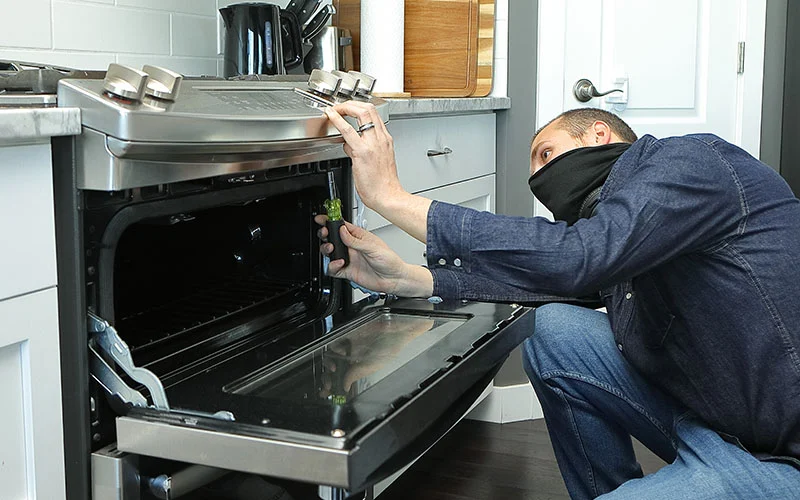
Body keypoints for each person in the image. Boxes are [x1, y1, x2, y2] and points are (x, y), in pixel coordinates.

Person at [315, 103, 800, 499]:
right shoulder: (630, 237)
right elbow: (558, 283)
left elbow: (578, 257)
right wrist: (411, 279)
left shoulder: (691, 163)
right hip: (717, 425)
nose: (542, 180)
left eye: (547, 154)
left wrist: (390, 197)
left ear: (598, 135)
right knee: (555, 328)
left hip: (782, 457)